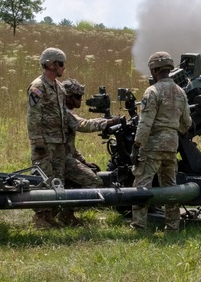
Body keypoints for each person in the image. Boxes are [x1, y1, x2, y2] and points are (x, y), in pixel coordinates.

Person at [131, 51, 192, 231]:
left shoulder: (152, 91)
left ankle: (139, 225)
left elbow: (145, 123)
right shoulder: (181, 92)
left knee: (142, 184)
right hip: (172, 146)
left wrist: (136, 146)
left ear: (155, 70)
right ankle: (172, 226)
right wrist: (172, 130)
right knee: (170, 187)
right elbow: (187, 122)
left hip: (152, 146)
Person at [57, 79, 126, 226]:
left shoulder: (63, 112)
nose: (80, 100)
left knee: (87, 173)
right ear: (67, 96)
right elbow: (82, 124)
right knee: (94, 182)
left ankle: (66, 213)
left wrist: (83, 162)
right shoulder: (63, 113)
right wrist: (107, 122)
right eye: (76, 97)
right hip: (60, 160)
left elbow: (69, 145)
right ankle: (66, 212)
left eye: (81, 97)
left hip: (64, 157)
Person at [27, 47, 71, 229]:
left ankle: (52, 215)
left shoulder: (59, 87)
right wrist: (37, 140)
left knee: (58, 178)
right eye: (60, 64)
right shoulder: (38, 86)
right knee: (43, 178)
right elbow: (33, 115)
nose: (63, 68)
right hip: (44, 142)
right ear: (50, 65)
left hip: (59, 141)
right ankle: (41, 216)